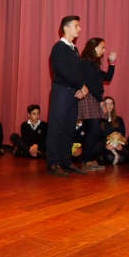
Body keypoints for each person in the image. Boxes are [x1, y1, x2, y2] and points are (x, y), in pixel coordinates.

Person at [46, 15, 88, 176]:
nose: (80, 28)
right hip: (61, 91)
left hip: (72, 93)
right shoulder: (59, 47)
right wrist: (80, 85)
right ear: (66, 28)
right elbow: (63, 71)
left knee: (69, 127)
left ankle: (66, 161)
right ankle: (53, 162)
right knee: (56, 127)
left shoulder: (74, 49)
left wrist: (82, 87)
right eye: (76, 25)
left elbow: (78, 72)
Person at [78, 37, 117, 171]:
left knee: (93, 130)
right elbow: (90, 84)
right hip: (90, 98)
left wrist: (112, 63)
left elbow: (107, 78)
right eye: (102, 47)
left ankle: (88, 159)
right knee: (93, 129)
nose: (104, 50)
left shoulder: (93, 64)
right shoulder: (85, 62)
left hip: (94, 97)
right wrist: (101, 101)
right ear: (94, 48)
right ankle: (86, 160)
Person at [101, 96, 128, 165]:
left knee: (123, 158)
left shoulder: (119, 119)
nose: (109, 106)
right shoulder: (99, 120)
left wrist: (119, 144)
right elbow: (97, 137)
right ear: (103, 105)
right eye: (107, 103)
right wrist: (106, 145)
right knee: (109, 158)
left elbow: (122, 134)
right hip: (105, 147)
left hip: (117, 145)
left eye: (111, 103)